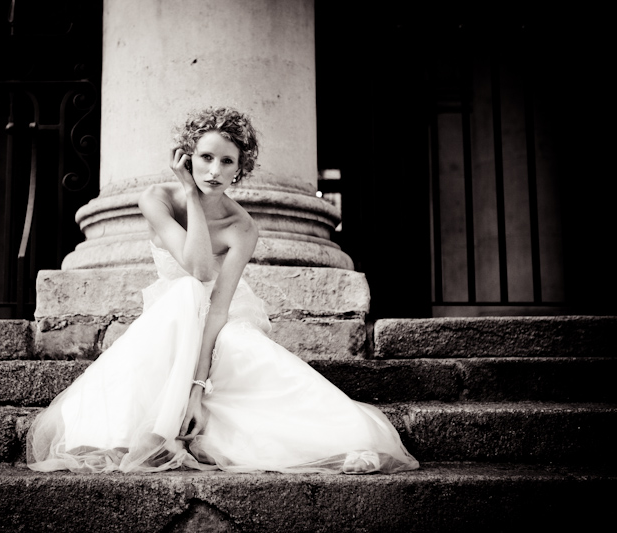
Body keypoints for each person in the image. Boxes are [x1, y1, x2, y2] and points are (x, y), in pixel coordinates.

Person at [26, 107, 419, 474]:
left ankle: (334, 438)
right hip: (171, 318)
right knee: (182, 295)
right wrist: (192, 195)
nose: (214, 170)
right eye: (206, 158)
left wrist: (197, 389)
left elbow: (215, 303)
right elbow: (194, 268)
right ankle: (147, 432)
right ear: (187, 158)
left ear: (240, 168)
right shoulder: (157, 199)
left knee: (239, 348)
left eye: (227, 161)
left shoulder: (242, 227)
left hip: (219, 319)